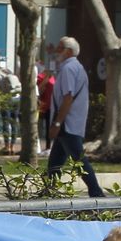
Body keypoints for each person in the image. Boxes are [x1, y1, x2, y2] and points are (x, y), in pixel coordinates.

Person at [45, 37, 105, 196]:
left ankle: (96, 192)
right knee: (55, 163)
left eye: (60, 48)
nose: (57, 51)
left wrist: (57, 123)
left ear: (69, 51)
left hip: (67, 124)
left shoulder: (68, 69)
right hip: (70, 122)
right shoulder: (74, 67)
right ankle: (49, 192)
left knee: (79, 160)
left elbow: (67, 97)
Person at [0, 52, 20, 152]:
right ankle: (13, 146)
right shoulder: (8, 70)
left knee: (6, 122)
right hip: (16, 98)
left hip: (6, 99)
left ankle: (7, 146)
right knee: (14, 122)